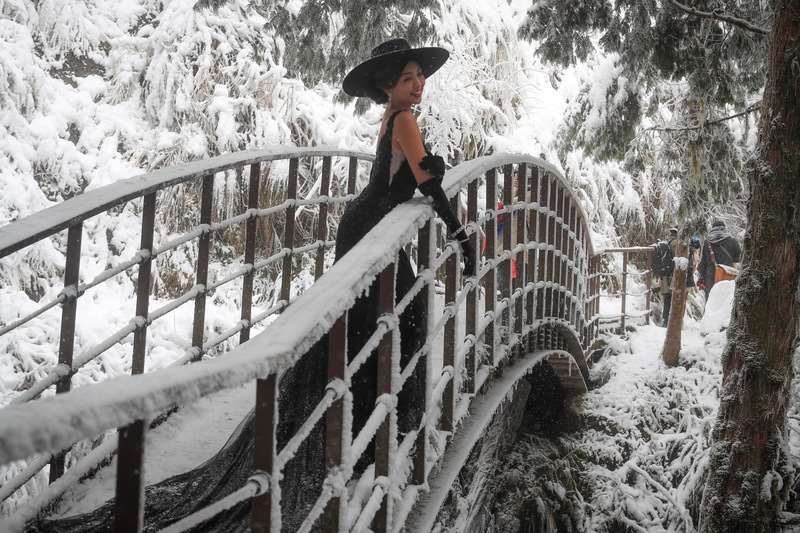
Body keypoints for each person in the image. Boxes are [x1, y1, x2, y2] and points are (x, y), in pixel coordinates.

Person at [697, 219, 742, 299]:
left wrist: (701, 278)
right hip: (728, 277)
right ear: (724, 229)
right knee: (725, 303)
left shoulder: (707, 243)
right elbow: (738, 262)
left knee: (711, 304)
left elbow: (702, 264)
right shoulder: (733, 242)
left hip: (710, 279)